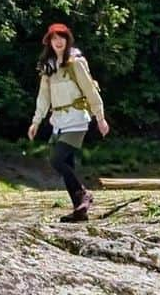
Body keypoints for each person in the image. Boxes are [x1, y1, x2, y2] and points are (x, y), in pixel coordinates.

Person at [28, 23, 109, 223]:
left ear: (67, 40)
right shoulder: (47, 67)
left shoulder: (75, 63)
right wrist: (36, 122)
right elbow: (43, 97)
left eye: (61, 37)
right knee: (67, 165)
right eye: (54, 38)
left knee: (56, 160)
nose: (58, 41)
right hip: (59, 122)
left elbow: (90, 90)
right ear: (49, 41)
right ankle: (79, 210)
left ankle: (84, 195)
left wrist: (100, 117)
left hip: (77, 119)